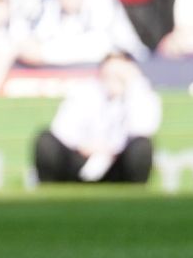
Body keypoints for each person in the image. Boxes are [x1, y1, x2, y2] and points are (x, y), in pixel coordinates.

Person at [33, 52, 160, 184]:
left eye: (119, 75)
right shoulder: (84, 92)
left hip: (118, 163)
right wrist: (85, 145)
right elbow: (61, 128)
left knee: (142, 146)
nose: (113, 79)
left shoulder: (141, 97)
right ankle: (48, 189)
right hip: (80, 158)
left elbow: (143, 129)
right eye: (109, 74)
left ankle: (135, 192)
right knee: (46, 140)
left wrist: (134, 87)